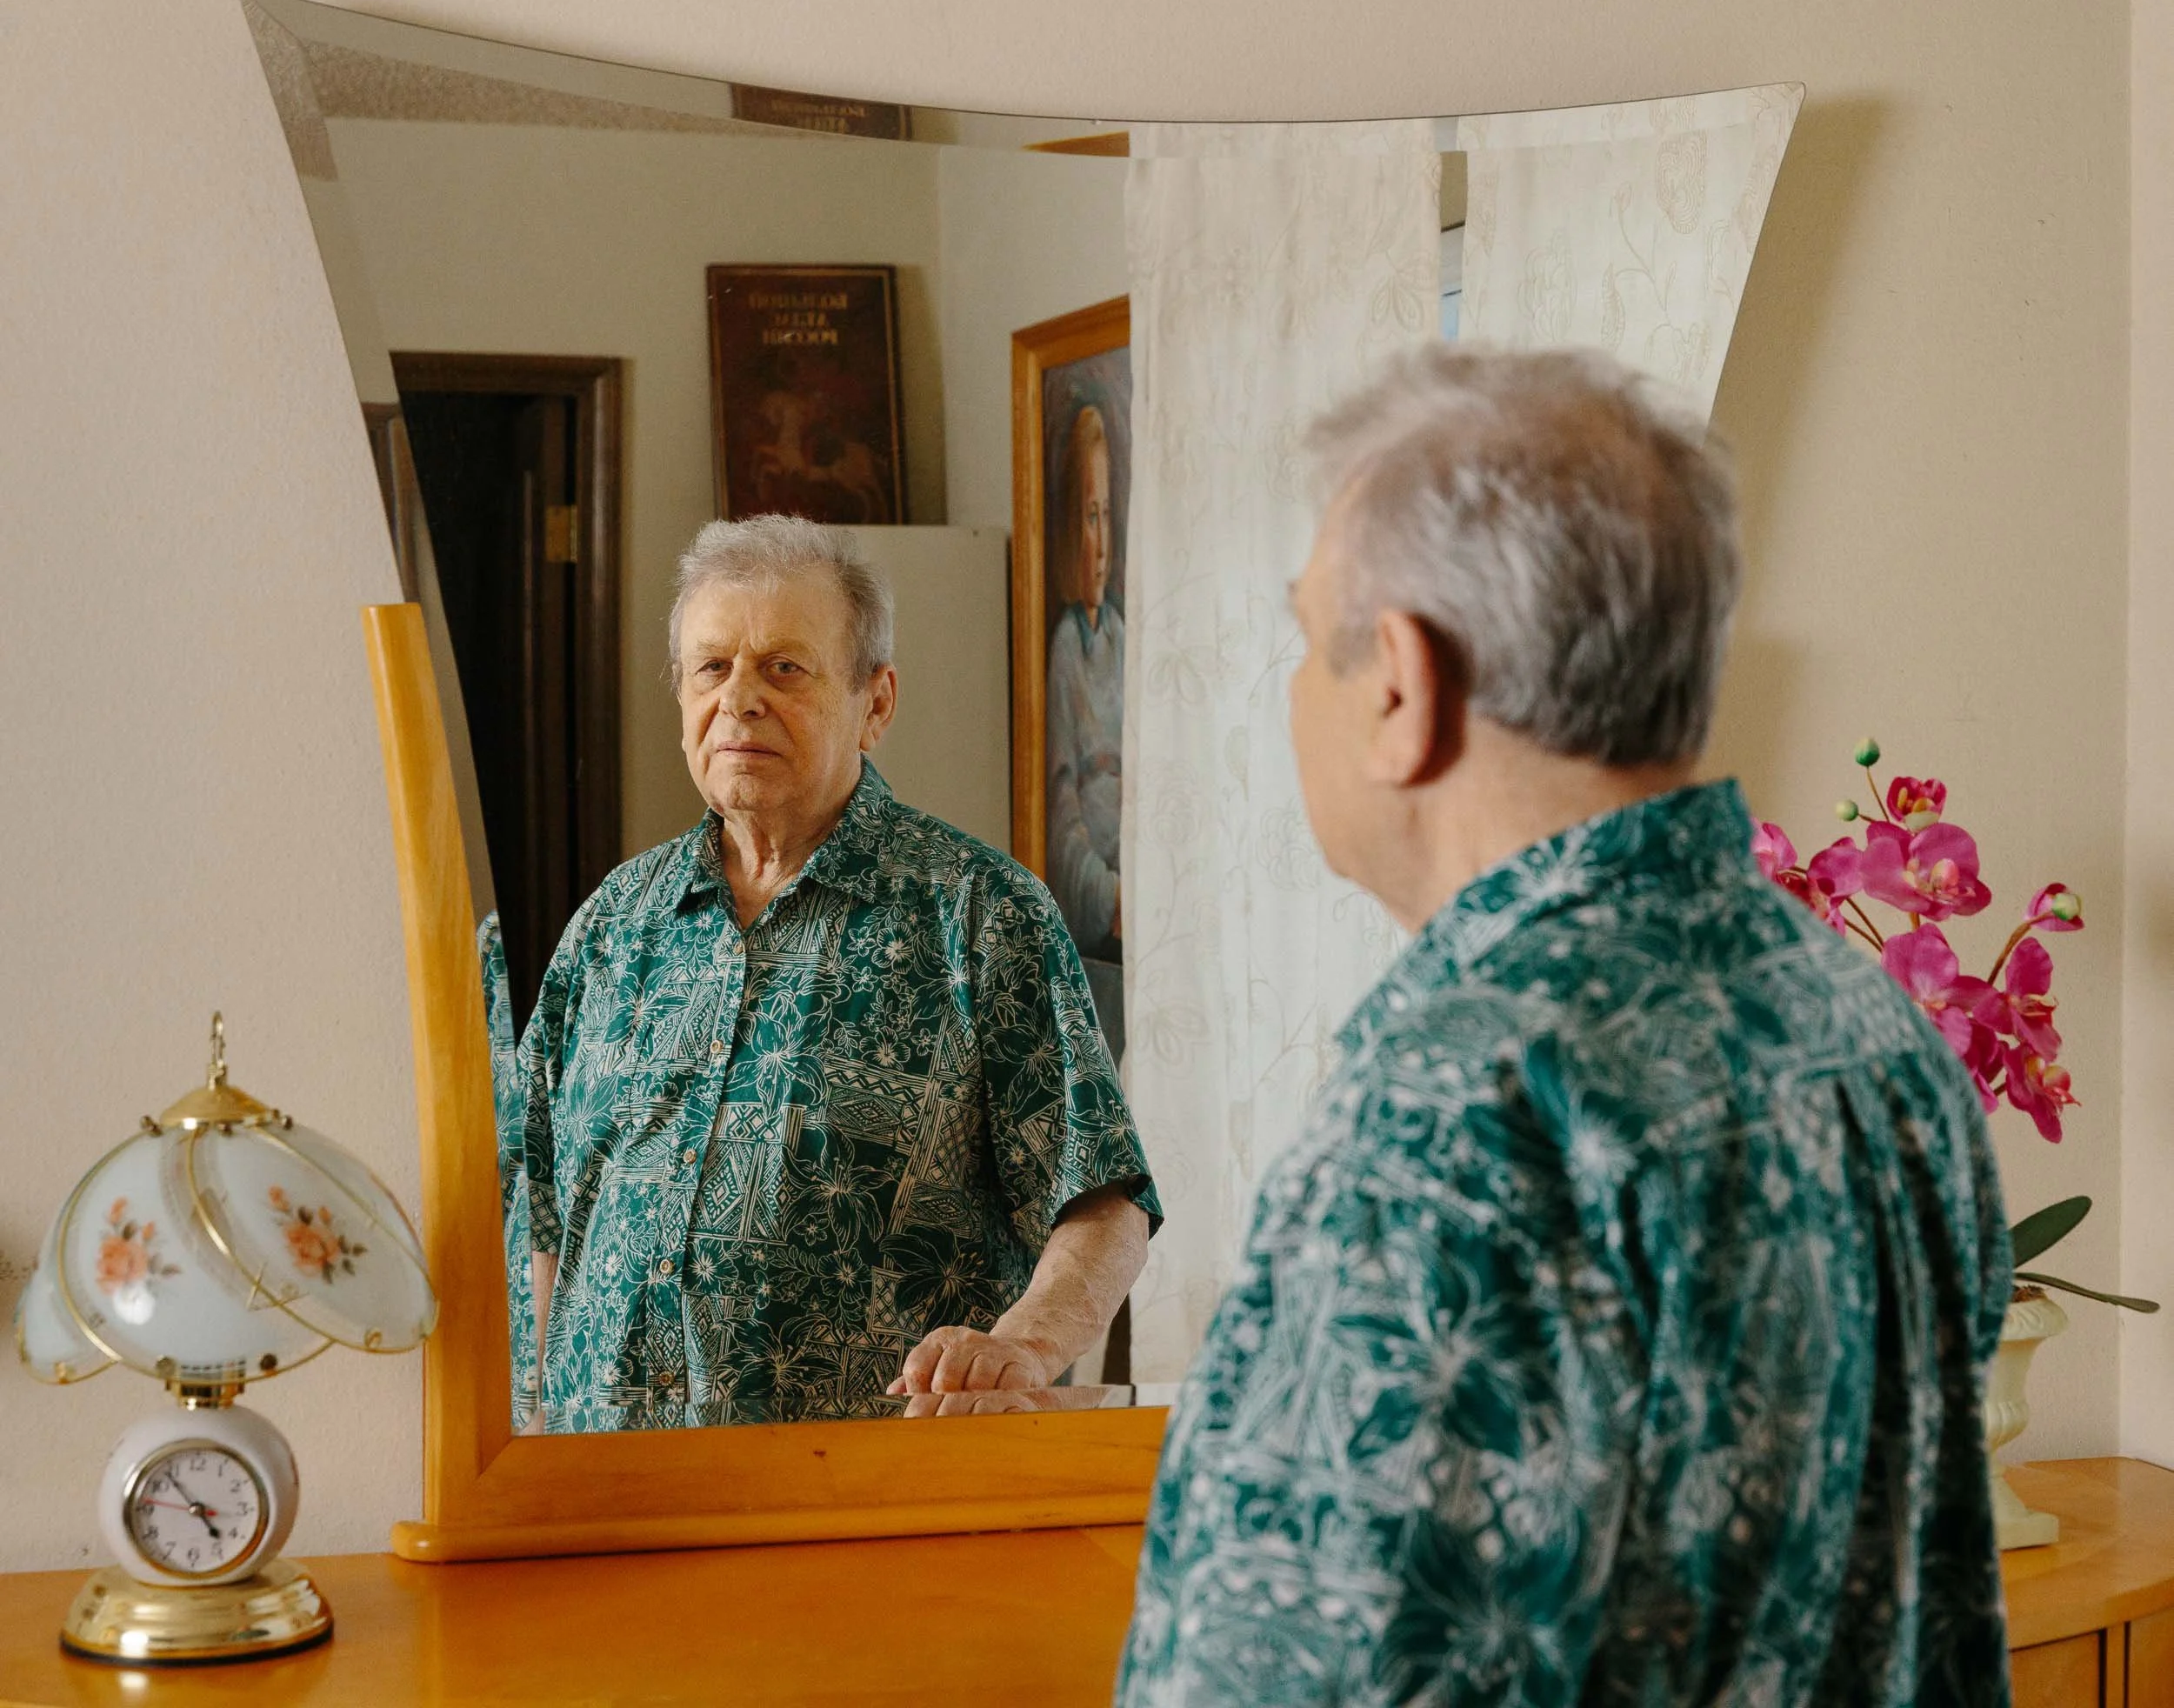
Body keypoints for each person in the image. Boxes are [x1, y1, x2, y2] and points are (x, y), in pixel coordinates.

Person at [1117, 347, 2011, 1705]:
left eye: (1310, 642)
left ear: (1404, 686)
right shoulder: (1866, 1034)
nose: (1298, 686)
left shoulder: (1460, 1107)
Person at [520, 515, 1159, 1430]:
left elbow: (1103, 1200)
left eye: (785, 667)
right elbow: (536, 1213)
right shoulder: (612, 927)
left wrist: (1023, 1344)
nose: (739, 699)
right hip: (605, 1507)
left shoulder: (979, 915)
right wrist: (523, 1438)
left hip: (863, 1510)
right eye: (712, 666)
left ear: (877, 701)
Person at [1045, 404, 1124, 966]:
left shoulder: (1121, 634)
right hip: (1101, 896)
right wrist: (1106, 893)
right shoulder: (1067, 648)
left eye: (1106, 515)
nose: (1099, 545)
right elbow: (1061, 801)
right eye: (1087, 518)